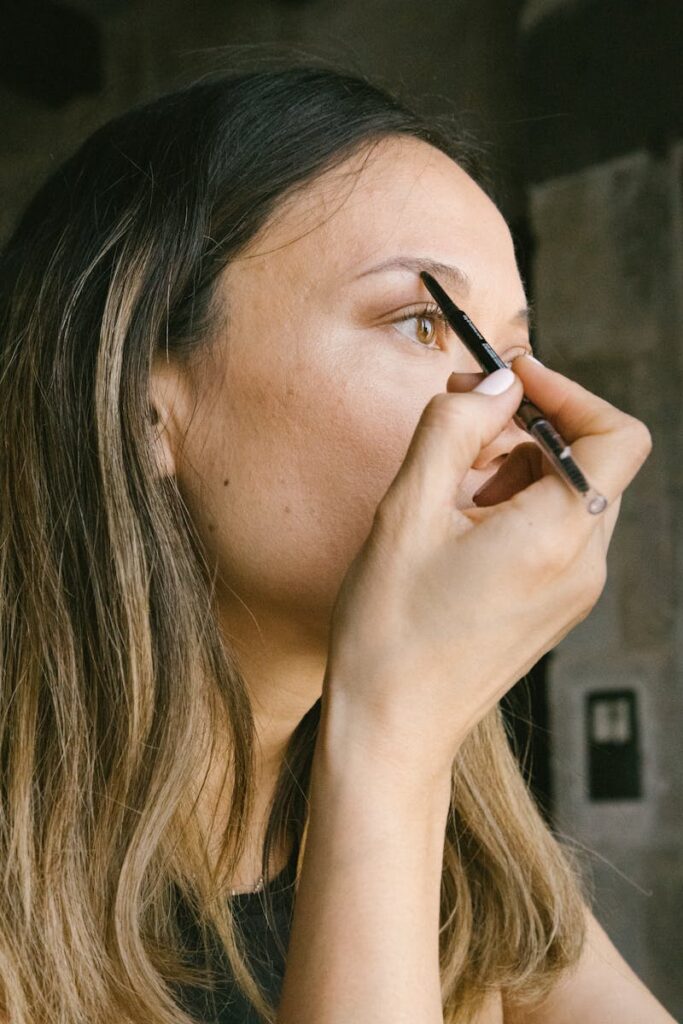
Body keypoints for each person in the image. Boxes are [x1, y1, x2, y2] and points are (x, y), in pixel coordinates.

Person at [0, 55, 672, 1024]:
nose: (511, 417)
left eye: (515, 354)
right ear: (145, 407)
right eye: (421, 325)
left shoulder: (475, 862)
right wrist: (393, 738)